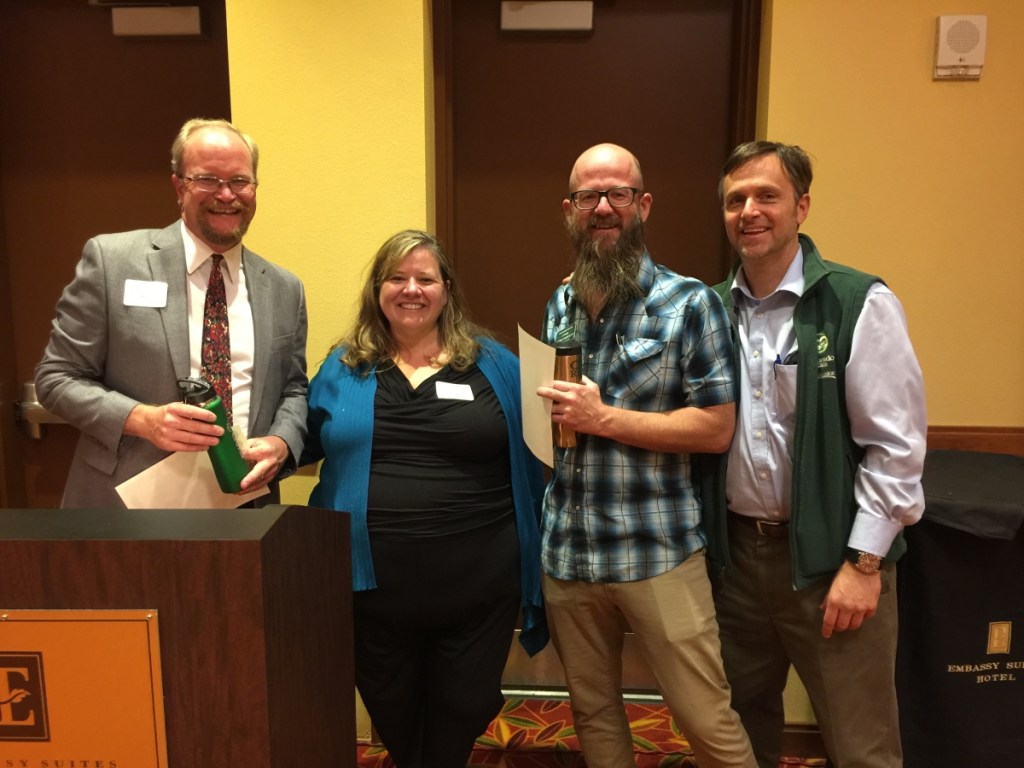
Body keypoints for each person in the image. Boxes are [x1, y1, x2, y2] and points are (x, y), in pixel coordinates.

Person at [702, 140, 927, 768]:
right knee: (737, 737)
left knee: (862, 743)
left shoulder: (858, 302)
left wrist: (863, 564)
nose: (749, 211)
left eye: (765, 196)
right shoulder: (709, 312)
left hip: (834, 562)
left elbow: (898, 447)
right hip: (736, 565)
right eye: (734, 200)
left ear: (801, 206)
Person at [535, 143, 756, 768]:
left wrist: (603, 419)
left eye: (618, 194)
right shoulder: (561, 303)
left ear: (644, 204)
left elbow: (716, 428)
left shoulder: (691, 305)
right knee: (595, 716)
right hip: (569, 552)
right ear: (570, 210)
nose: (603, 208)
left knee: (705, 720)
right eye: (588, 197)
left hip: (655, 550)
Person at [301, 229, 547, 768]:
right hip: (373, 589)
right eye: (397, 278)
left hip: (478, 586)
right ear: (377, 289)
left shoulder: (496, 365)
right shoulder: (344, 366)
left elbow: (541, 456)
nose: (411, 289)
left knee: (464, 705)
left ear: (447, 290)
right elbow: (302, 437)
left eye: (425, 278)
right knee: (392, 711)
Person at [35, 117, 308, 508]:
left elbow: (294, 389)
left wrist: (282, 442)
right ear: (179, 185)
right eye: (208, 180)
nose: (226, 194)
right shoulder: (113, 262)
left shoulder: (284, 289)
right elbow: (55, 378)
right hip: (128, 506)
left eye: (239, 181)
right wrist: (142, 420)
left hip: (244, 503)